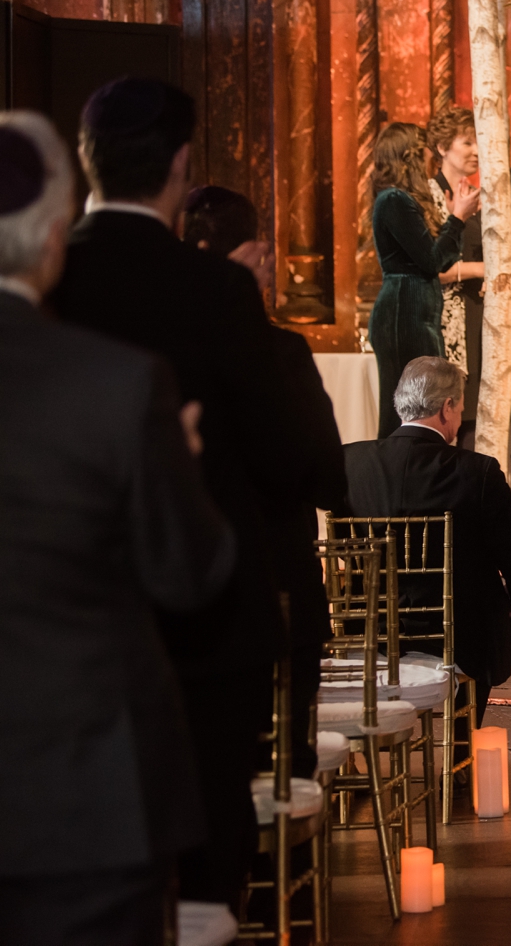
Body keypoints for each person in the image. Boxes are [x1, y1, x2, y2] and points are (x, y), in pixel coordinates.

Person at [51, 77, 298, 913]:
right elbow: (278, 453)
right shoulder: (219, 292)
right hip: (211, 614)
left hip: (75, 605)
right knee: (211, 829)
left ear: (87, 164)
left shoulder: (51, 285)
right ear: (182, 166)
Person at [0, 111, 232, 946]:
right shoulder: (119, 386)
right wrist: (182, 464)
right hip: (86, 793)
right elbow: (191, 574)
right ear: (55, 237)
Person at [182, 185, 347, 778]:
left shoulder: (159, 349)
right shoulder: (278, 352)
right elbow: (326, 476)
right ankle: (289, 865)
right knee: (286, 753)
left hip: (189, 580)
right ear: (251, 256)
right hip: (275, 568)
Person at [343, 357, 511, 717]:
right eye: (460, 407)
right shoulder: (477, 472)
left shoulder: (349, 463)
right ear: (447, 407)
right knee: (480, 592)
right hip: (455, 640)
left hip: (369, 632)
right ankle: (460, 753)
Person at [368, 120, 479, 437]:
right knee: (408, 409)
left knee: (425, 405)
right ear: (410, 158)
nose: (431, 162)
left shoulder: (404, 200)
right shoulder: (394, 200)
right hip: (404, 311)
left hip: (417, 310)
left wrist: (452, 220)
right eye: (425, 155)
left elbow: (436, 258)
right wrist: (457, 218)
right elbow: (431, 262)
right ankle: (400, 478)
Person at [427, 106, 487, 449]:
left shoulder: (477, 199)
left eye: (479, 141)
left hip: (473, 318)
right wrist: (483, 270)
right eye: (467, 142)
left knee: (471, 418)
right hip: (443, 322)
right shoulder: (429, 197)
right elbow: (435, 268)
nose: (476, 150)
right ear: (442, 147)